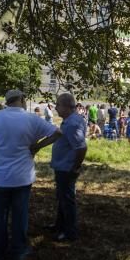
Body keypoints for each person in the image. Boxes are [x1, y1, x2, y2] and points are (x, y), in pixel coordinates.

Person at [0, 89, 60, 260]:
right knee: (20, 215)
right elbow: (57, 133)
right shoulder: (31, 118)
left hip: (0, 177)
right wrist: (37, 146)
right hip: (22, 177)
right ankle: (18, 251)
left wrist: (0, 155)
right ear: (22, 100)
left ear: (8, 101)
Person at [36, 93, 87, 242]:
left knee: (67, 199)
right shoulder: (71, 120)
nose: (56, 108)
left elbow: (81, 148)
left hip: (67, 168)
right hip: (63, 166)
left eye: (58, 105)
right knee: (62, 197)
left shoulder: (72, 123)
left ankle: (70, 232)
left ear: (66, 106)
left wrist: (75, 167)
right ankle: (59, 225)